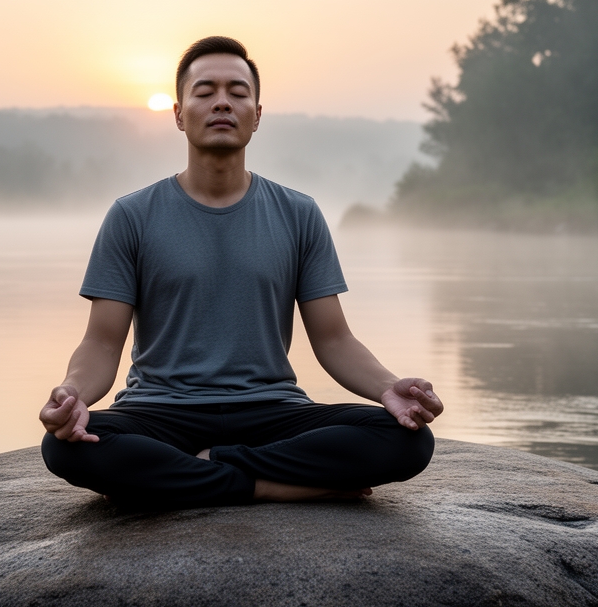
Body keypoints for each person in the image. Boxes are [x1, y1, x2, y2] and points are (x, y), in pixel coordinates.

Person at [39, 36, 443, 509]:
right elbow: (102, 343)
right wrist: (72, 394)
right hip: (161, 412)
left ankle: (199, 473)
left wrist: (389, 389)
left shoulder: (298, 213)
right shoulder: (133, 215)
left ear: (256, 114)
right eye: (205, 91)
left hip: (272, 410)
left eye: (237, 91)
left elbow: (334, 340)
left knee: (408, 441)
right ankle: (267, 483)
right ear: (178, 113)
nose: (222, 103)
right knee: (65, 447)